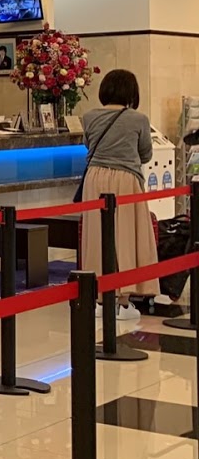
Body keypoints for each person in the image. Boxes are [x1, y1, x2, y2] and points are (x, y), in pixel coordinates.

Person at [80, 69, 158, 320]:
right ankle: (123, 300)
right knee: (126, 236)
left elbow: (88, 144)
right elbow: (146, 153)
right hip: (126, 180)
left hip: (94, 179)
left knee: (96, 235)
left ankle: (99, 296)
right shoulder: (139, 119)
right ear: (132, 93)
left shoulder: (89, 117)